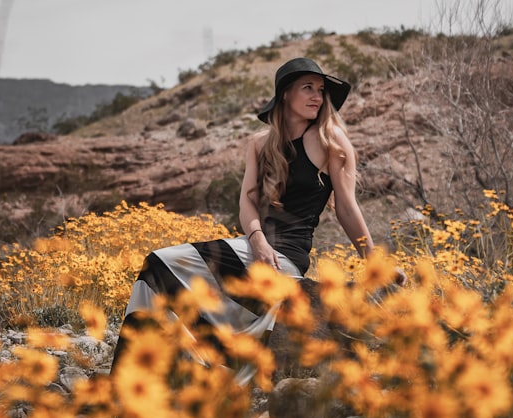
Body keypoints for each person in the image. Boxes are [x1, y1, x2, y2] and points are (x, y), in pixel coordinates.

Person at [110, 57, 375, 378]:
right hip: (251, 247)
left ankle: (198, 363)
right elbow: (247, 206)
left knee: (166, 269)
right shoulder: (259, 144)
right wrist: (258, 240)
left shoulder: (330, 142)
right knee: (156, 268)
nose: (317, 96)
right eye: (308, 88)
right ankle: (133, 377)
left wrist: (374, 264)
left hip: (285, 259)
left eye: (320, 90)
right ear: (285, 95)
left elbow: (347, 208)